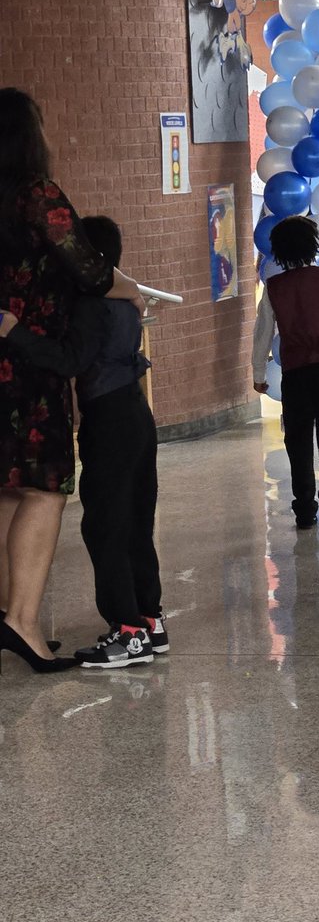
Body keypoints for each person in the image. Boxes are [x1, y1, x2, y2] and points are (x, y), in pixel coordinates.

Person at [0, 89, 144, 674]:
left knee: (5, 487)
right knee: (42, 489)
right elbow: (87, 269)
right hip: (31, 364)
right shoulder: (38, 196)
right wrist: (131, 290)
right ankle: (23, 623)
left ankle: (7, 613)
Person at [1, 215, 168, 668]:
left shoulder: (93, 304)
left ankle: (126, 632)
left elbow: (69, 360)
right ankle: (149, 619)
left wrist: (13, 330)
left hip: (110, 421)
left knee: (105, 526)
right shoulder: (123, 299)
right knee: (135, 521)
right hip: (134, 414)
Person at [252, 216, 319, 530]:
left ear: (278, 250)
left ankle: (304, 507)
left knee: (298, 440)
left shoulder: (275, 288)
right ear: (314, 245)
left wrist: (258, 372)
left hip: (295, 372)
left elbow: (263, 332)